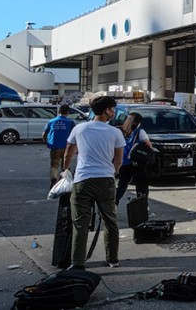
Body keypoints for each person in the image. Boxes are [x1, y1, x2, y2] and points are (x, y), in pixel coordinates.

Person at [62, 96, 125, 269]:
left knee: (80, 223)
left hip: (82, 180)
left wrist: (65, 170)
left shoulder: (80, 128)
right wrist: (114, 172)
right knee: (110, 221)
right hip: (105, 180)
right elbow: (118, 160)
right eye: (112, 109)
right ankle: (112, 259)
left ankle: (78, 263)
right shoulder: (115, 132)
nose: (113, 112)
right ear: (106, 111)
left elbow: (69, 152)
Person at [115, 112, 153, 205]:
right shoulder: (139, 131)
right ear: (138, 122)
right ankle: (142, 206)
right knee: (141, 186)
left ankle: (114, 203)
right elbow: (148, 145)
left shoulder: (121, 132)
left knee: (122, 185)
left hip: (124, 162)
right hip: (137, 163)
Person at [42, 104, 76, 188]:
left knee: (54, 165)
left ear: (58, 112)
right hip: (67, 147)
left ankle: (53, 178)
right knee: (65, 165)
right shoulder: (70, 122)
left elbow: (44, 134)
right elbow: (74, 135)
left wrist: (46, 141)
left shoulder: (51, 121)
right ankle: (63, 181)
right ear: (68, 112)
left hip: (55, 147)